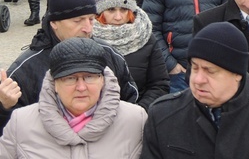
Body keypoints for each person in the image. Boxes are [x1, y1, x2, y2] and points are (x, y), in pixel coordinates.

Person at [142, 22, 249, 158]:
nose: (198, 80)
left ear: (237, 74)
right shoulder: (163, 115)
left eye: (210, 71)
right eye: (195, 67)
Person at [0, 0, 139, 131]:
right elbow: (10, 136)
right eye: (77, 21)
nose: (87, 28)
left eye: (91, 19)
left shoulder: (110, 55)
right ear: (54, 23)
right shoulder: (25, 69)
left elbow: (131, 101)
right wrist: (4, 107)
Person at [0, 37, 147, 157]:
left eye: (89, 77)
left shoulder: (135, 121)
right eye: (70, 78)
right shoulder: (21, 123)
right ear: (54, 83)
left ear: (103, 79)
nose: (81, 87)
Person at [92, 0, 169, 110]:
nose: (118, 16)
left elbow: (159, 84)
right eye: (111, 10)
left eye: (124, 9)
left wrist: (138, 111)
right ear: (100, 12)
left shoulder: (146, 37)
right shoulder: (88, 38)